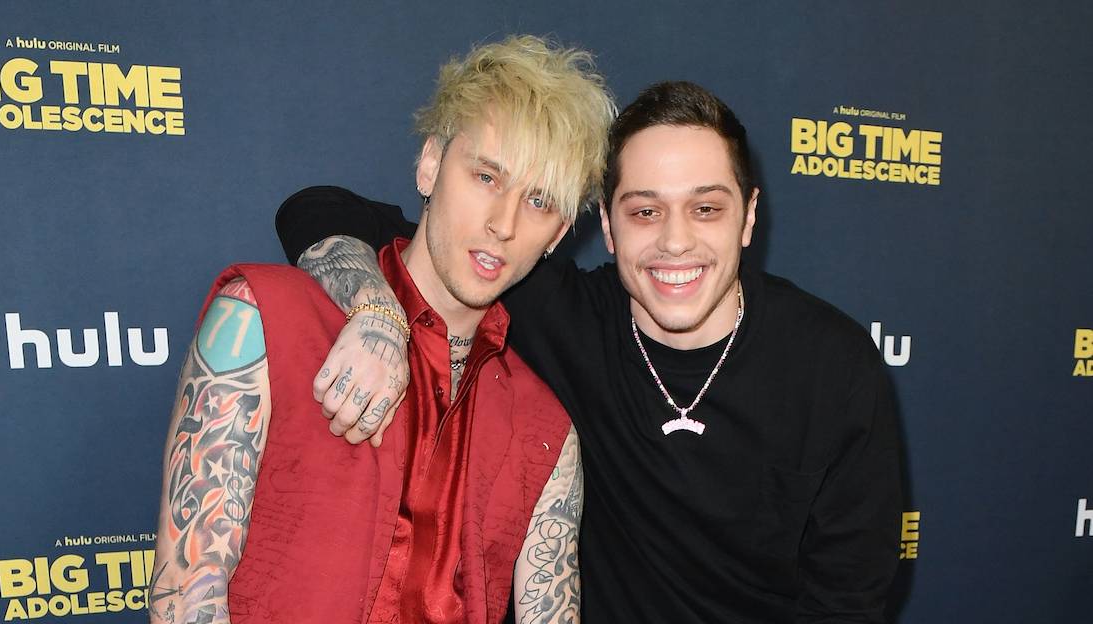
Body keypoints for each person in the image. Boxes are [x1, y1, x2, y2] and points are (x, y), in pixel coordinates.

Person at [277, 81, 904, 623]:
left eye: (706, 209)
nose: (675, 241)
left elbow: (848, 603)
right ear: (606, 225)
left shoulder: (834, 367)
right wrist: (376, 310)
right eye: (645, 211)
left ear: (747, 218)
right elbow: (322, 210)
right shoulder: (554, 309)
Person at [150, 35, 615, 624]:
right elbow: (188, 594)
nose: (504, 223)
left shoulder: (546, 431)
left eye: (539, 201)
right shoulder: (262, 318)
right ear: (430, 165)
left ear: (558, 234)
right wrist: (377, 312)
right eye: (486, 177)